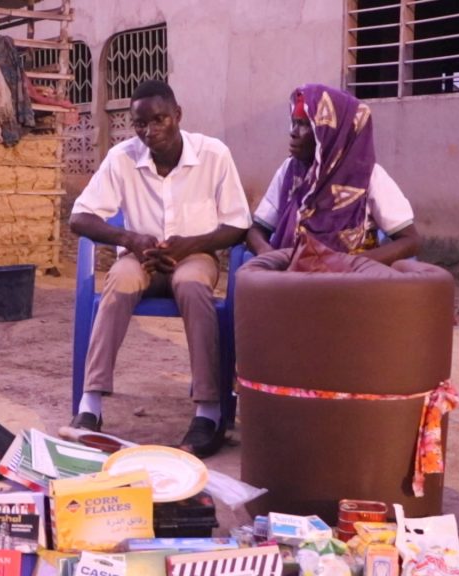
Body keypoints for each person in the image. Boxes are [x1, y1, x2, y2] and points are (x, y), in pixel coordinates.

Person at [69, 80, 251, 457]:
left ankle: (208, 411)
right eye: (140, 124)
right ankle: (91, 407)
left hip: (195, 256)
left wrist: (193, 244)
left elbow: (238, 225)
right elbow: (80, 218)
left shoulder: (213, 154)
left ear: (178, 116)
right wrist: (131, 240)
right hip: (141, 258)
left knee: (192, 286)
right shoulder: (122, 157)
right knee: (119, 281)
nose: (149, 132)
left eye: (159, 120)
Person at [246, 84, 420, 263]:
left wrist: (351, 264)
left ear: (330, 134)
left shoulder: (367, 176)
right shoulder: (290, 171)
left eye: (305, 125)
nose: (293, 133)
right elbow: (257, 229)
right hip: (290, 275)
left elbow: (410, 240)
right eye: (295, 123)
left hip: (346, 283)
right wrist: (267, 253)